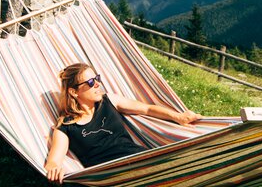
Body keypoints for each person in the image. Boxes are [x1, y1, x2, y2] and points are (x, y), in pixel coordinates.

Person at [43, 63, 202, 184]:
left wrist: (179, 117)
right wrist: (54, 168)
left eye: (97, 78)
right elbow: (54, 161)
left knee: (189, 168)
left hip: (142, 160)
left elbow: (147, 109)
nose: (98, 84)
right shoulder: (66, 126)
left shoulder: (109, 100)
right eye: (91, 82)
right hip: (113, 177)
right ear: (73, 91)